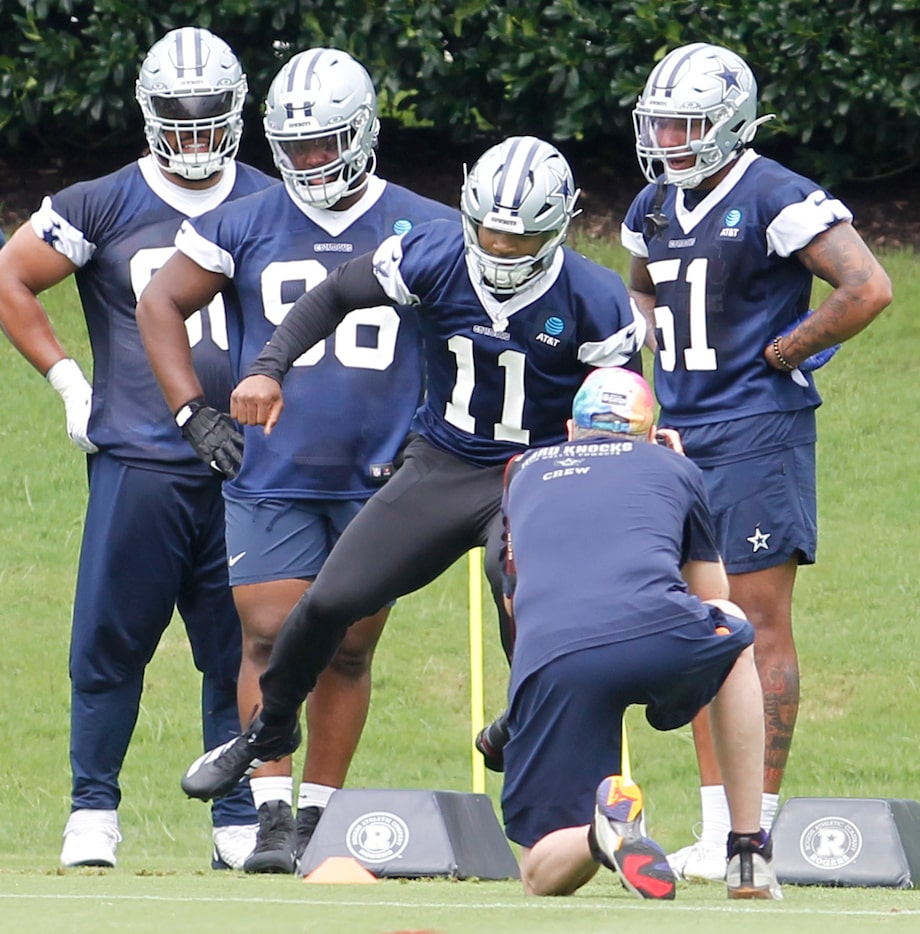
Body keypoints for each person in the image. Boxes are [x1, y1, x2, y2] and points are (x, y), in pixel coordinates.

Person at [176, 134, 647, 805]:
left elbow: (621, 414)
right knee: (333, 599)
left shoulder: (596, 300)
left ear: (558, 227)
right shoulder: (429, 254)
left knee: (516, 580)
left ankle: (527, 717)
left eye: (520, 238)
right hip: (445, 461)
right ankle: (267, 730)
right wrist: (267, 367)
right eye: (488, 231)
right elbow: (334, 293)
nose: (501, 249)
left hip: (541, 469)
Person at [136, 47, 457, 874]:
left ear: (362, 132)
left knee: (349, 647)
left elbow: (468, 330)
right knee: (270, 638)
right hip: (273, 471)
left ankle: (319, 816)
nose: (311, 161)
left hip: (385, 473)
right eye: (297, 146)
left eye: (325, 144)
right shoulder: (244, 218)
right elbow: (161, 300)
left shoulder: (424, 222)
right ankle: (270, 815)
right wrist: (190, 412)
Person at [0, 27, 276, 869]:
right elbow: (10, 276)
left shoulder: (270, 198)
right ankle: (93, 809)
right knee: (109, 639)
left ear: (235, 118)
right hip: (139, 461)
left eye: (208, 122)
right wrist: (68, 380)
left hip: (245, 465)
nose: (194, 140)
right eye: (177, 122)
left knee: (239, 645)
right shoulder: (103, 202)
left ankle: (235, 814)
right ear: (150, 118)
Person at [619, 42, 893, 881]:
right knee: (702, 625)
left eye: (685, 123)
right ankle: (717, 827)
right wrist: (644, 341)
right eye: (660, 121)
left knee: (755, 621)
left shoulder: (776, 193)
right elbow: (640, 283)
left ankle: (757, 829)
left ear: (730, 124)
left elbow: (867, 287)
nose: (668, 137)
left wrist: (785, 351)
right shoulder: (656, 202)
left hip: (757, 432)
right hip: (683, 433)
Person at [497, 366, 781, 900]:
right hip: (656, 633)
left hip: (553, 656)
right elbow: (708, 589)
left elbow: (513, 600)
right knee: (730, 624)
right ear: (650, 432)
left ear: (571, 428)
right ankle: (747, 850)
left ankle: (598, 836)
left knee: (537, 871)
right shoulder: (674, 466)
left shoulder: (522, 470)